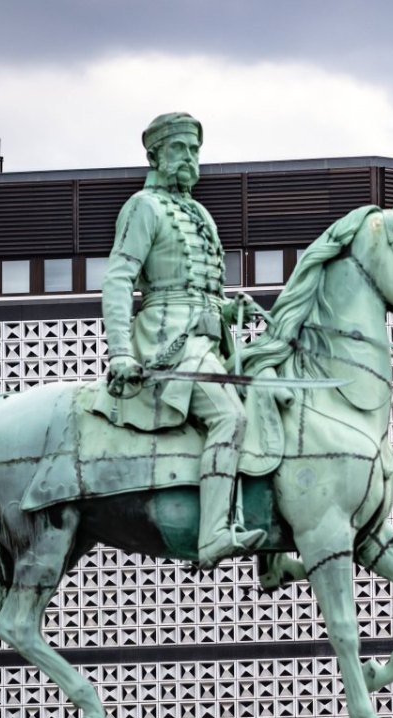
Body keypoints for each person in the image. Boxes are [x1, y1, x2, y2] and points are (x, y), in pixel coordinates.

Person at [99, 112, 265, 569]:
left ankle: (269, 557)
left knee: (272, 413)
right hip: (169, 342)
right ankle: (212, 536)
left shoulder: (200, 212)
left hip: (211, 343)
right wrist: (119, 352)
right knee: (230, 419)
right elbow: (118, 280)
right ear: (154, 155)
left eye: (195, 150)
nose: (191, 159)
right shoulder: (143, 207)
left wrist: (229, 309)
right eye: (180, 149)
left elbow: (202, 290)